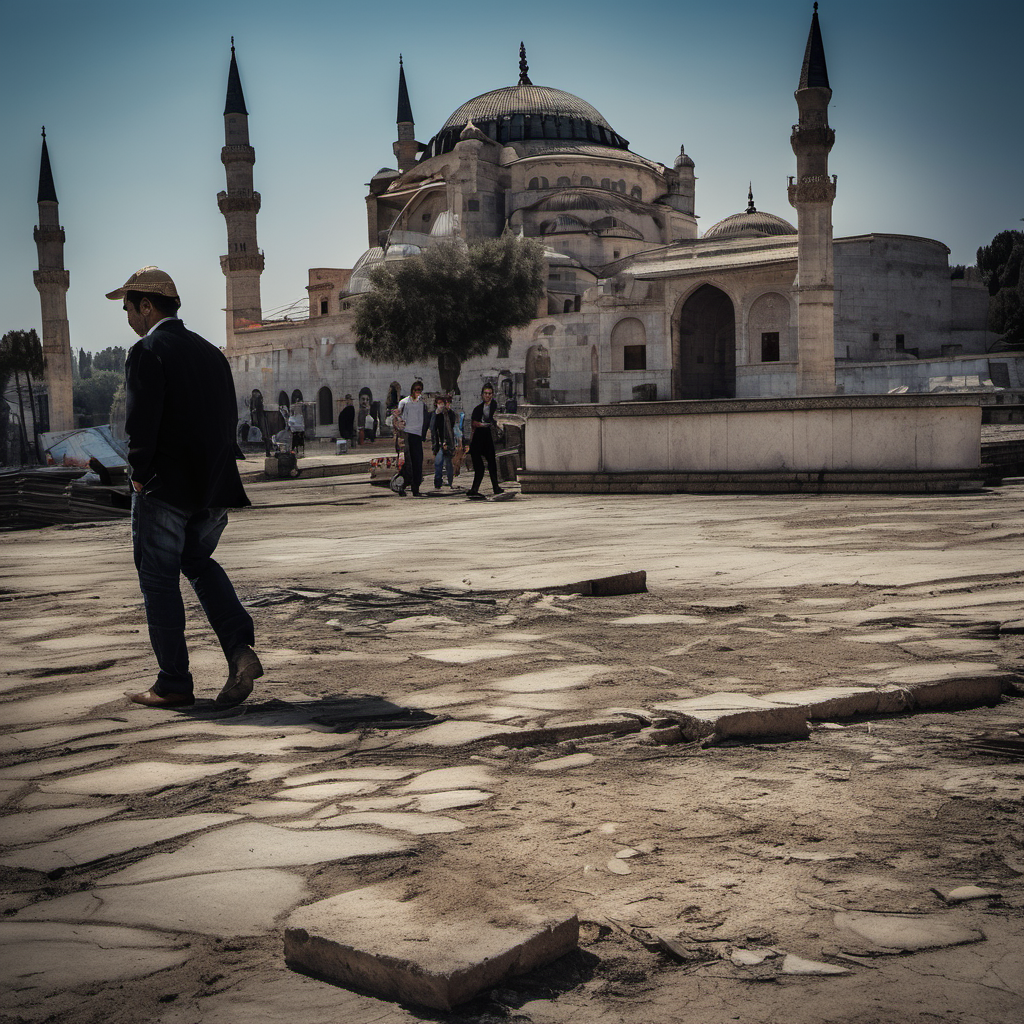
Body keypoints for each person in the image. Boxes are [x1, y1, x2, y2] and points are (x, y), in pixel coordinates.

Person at [107, 266, 262, 709]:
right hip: (214, 488)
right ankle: (239, 649)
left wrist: (138, 473)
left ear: (147, 306)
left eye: (129, 307)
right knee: (197, 561)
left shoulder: (147, 350)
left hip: (166, 489)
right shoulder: (211, 352)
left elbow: (143, 423)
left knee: (158, 581)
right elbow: (224, 421)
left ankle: (173, 682)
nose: (128, 316)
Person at [466, 383, 504, 499]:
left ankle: (495, 487)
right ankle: (474, 489)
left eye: (490, 394)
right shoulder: (478, 409)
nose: (487, 396)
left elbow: (496, 419)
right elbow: (474, 424)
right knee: (479, 467)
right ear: (482, 395)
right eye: (486, 393)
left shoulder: (494, 407)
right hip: (478, 438)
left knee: (492, 463)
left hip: (488, 437)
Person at [395, 380, 427, 496]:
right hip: (407, 434)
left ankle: (416, 488)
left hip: (417, 435)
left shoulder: (422, 403)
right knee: (408, 463)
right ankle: (402, 485)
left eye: (420, 390)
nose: (418, 392)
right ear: (412, 390)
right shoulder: (404, 402)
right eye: (416, 390)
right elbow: (399, 418)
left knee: (418, 461)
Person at [429, 395, 456, 489]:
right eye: (439, 403)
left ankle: (449, 482)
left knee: (447, 462)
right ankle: (438, 483)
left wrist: (447, 443)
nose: (441, 405)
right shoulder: (434, 415)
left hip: (447, 443)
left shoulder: (448, 414)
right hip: (438, 443)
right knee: (438, 463)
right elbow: (433, 429)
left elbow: (450, 429)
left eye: (442, 403)